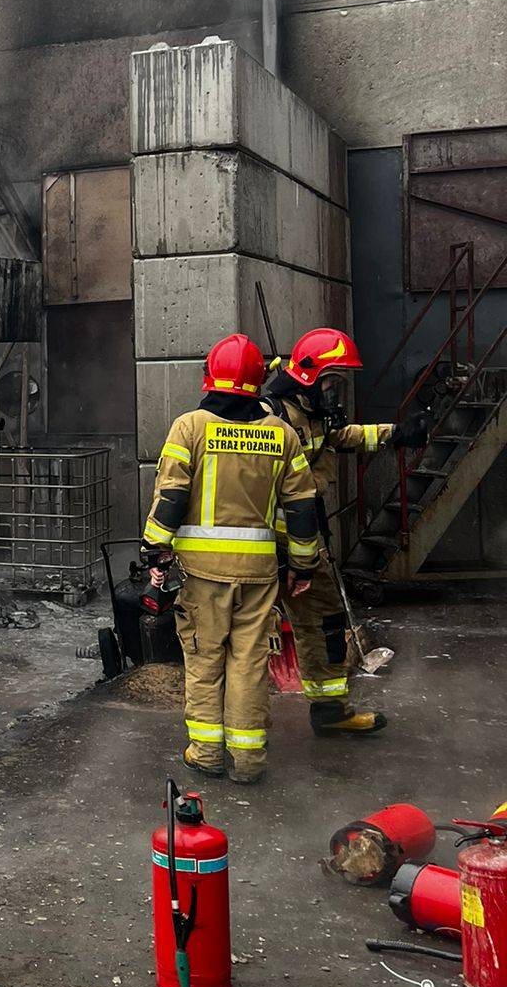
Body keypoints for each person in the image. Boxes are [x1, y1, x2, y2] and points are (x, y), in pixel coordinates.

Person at [142, 333, 321, 784]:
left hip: (202, 575)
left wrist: (155, 550)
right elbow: (302, 507)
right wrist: (303, 566)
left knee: (205, 661)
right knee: (248, 663)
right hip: (259, 576)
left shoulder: (191, 426)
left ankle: (206, 753)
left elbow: (171, 497)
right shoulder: (281, 434)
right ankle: (249, 761)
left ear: (210, 377)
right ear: (259, 382)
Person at [261, 327, 428, 735]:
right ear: (308, 375)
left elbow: (340, 437)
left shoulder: (312, 412)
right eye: (332, 381)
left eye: (339, 382)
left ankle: (330, 711)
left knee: (326, 621)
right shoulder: (269, 417)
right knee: (249, 633)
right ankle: (239, 728)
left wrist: (394, 434)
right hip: (267, 547)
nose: (335, 391)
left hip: (306, 541)